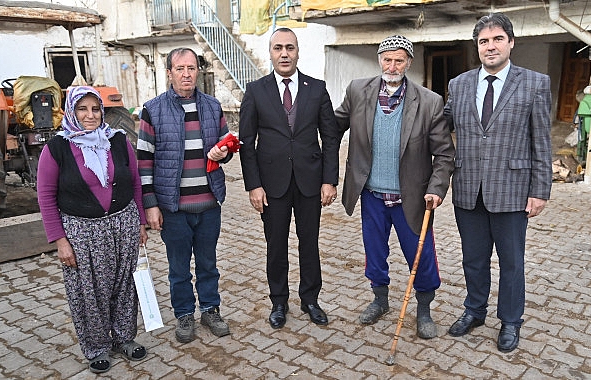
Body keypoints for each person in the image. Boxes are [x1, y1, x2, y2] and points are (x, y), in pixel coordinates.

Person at [444, 13, 552, 353]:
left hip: (512, 190)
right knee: (473, 259)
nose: (490, 47)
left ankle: (510, 321)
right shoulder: (459, 84)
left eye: (497, 39)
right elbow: (438, 125)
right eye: (483, 41)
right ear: (477, 46)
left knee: (512, 261)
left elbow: (542, 140)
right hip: (467, 190)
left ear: (511, 42)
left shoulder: (535, 83)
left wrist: (539, 190)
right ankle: (474, 311)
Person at [335, 35, 455, 338]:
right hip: (372, 194)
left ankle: (424, 309)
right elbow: (332, 125)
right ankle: (380, 300)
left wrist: (437, 189)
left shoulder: (429, 102)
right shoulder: (358, 91)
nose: (392, 65)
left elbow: (444, 154)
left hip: (412, 197)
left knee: (421, 254)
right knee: (374, 252)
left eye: (399, 60)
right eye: (387, 59)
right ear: (379, 60)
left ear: (408, 63)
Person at [37, 86, 149, 374]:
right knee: (89, 291)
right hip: (82, 232)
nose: (90, 115)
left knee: (125, 284)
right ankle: (97, 347)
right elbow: (46, 197)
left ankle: (124, 338)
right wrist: (60, 240)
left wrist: (140, 223)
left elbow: (135, 182)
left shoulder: (119, 140)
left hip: (123, 224)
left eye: (95, 109)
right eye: (82, 109)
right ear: (71, 112)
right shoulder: (56, 148)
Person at [239, 27, 340, 329]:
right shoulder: (256, 90)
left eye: (290, 48)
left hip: (310, 181)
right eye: (278, 48)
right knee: (276, 244)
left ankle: (310, 299)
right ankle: (279, 301)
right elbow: (247, 142)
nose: (284, 54)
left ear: (298, 52)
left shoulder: (317, 88)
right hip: (272, 185)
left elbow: (330, 137)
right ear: (270, 53)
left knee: (309, 243)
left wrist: (329, 179)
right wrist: (254, 185)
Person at [137, 47, 232, 343]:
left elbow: (227, 148)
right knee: (178, 267)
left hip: (208, 204)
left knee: (208, 263)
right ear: (169, 73)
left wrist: (225, 151)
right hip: (173, 207)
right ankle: (184, 314)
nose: (187, 74)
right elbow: (144, 161)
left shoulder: (213, 107)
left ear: (198, 71)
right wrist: (151, 205)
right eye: (180, 68)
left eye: (191, 68)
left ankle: (210, 309)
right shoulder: (152, 109)